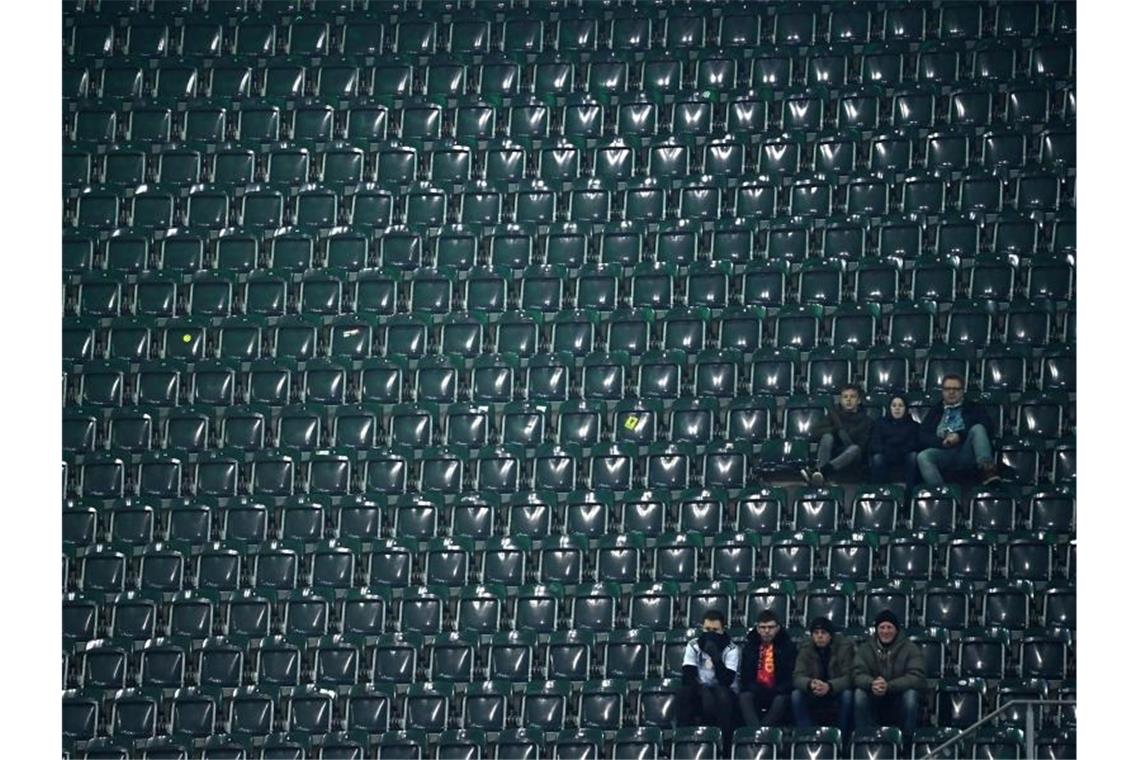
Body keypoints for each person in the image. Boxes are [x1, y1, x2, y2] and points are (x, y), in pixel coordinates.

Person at [915, 374, 1001, 486]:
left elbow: (988, 427)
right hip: (943, 451)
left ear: (962, 391)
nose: (951, 392)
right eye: (947, 389)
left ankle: (987, 471)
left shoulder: (974, 408)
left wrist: (959, 435)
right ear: (942, 391)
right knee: (923, 456)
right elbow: (923, 435)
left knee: (978, 428)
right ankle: (942, 493)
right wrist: (942, 441)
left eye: (955, 389)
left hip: (967, 450)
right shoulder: (935, 410)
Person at [852, 610, 927, 739]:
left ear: (896, 630)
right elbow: (856, 674)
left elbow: (917, 677)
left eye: (889, 627)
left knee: (911, 695)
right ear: (876, 630)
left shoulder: (910, 648)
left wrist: (889, 686)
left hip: (898, 698)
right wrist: (872, 683)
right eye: (882, 627)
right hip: (874, 697)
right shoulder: (865, 649)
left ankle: (906, 743)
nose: (885, 631)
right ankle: (865, 739)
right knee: (859, 694)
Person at [678, 610, 740, 753]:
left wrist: (715, 656)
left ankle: (724, 748)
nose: (710, 633)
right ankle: (683, 744)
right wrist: (703, 690)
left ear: (723, 630)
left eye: (715, 630)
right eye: (707, 629)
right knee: (684, 693)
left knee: (721, 694)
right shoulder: (693, 645)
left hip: (725, 692)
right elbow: (687, 676)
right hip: (700, 690)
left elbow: (726, 680)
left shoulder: (731, 649)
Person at [791, 617, 855, 733]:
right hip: (814, 690)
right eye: (816, 633)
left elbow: (850, 677)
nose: (819, 636)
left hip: (835, 691)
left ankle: (842, 736)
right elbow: (797, 676)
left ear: (831, 635)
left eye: (823, 633)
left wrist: (829, 686)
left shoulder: (844, 647)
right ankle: (807, 735)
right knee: (796, 695)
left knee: (847, 695)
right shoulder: (805, 648)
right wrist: (810, 684)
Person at [803, 384, 872, 486]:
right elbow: (814, 433)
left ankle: (821, 472)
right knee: (827, 437)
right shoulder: (834, 416)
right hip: (834, 453)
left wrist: (844, 432)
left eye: (852, 397)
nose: (848, 400)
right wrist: (836, 429)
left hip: (854, 456)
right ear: (840, 400)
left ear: (859, 401)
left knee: (854, 449)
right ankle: (821, 475)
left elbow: (863, 445)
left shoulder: (866, 420)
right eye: (845, 397)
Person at [737, 610, 796, 729]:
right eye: (763, 627)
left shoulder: (788, 647)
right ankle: (756, 731)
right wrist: (753, 687)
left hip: (779, 690)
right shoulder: (750, 647)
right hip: (756, 689)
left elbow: (791, 676)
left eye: (770, 627)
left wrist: (779, 688)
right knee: (744, 697)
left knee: (781, 700)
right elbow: (745, 676)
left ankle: (762, 734)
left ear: (778, 628)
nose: (767, 631)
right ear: (757, 629)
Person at [868, 394, 921, 489]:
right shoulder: (880, 423)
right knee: (877, 458)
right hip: (885, 453)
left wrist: (899, 450)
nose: (897, 408)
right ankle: (877, 491)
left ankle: (911, 491)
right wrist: (887, 450)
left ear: (906, 408)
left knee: (913, 456)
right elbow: (875, 443)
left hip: (905, 454)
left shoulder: (913, 425)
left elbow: (914, 444)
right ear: (889, 408)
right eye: (894, 405)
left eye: (900, 406)